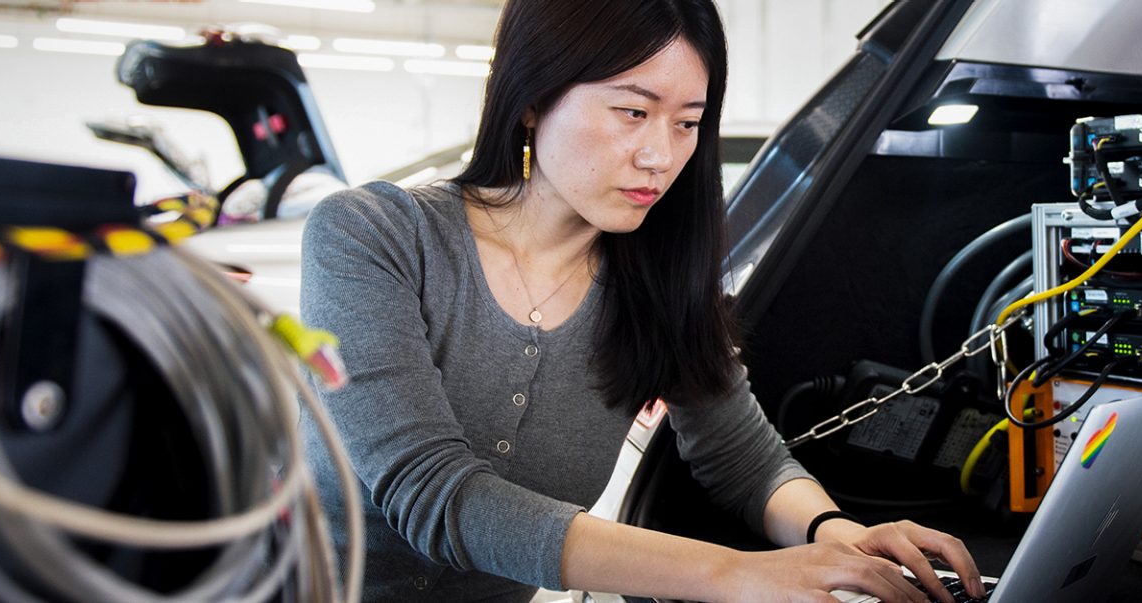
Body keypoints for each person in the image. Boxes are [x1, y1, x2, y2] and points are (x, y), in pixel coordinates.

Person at [301, 0, 984, 601]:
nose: (661, 154)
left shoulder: (654, 281)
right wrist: (735, 573)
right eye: (633, 112)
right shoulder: (372, 235)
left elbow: (743, 456)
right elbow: (434, 494)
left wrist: (838, 536)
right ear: (534, 97)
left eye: (687, 123)